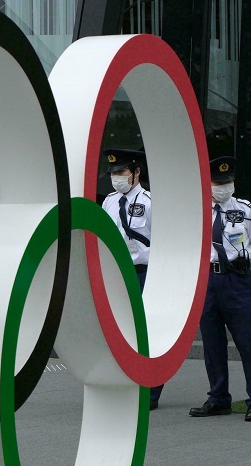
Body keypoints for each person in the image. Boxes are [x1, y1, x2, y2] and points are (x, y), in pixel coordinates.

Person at [189, 156, 251, 422]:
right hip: (207, 282)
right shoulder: (197, 211)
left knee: (248, 342)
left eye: (227, 182)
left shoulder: (247, 210)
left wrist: (240, 270)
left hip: (236, 281)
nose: (223, 187)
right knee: (212, 344)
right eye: (217, 183)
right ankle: (218, 398)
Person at [101, 148, 163, 410]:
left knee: (146, 333)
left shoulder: (150, 202)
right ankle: (126, 385)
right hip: (117, 275)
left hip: (143, 274)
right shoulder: (109, 201)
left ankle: (150, 391)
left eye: (122, 171)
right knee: (121, 332)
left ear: (137, 172)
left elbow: (163, 241)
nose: (116, 177)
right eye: (113, 173)